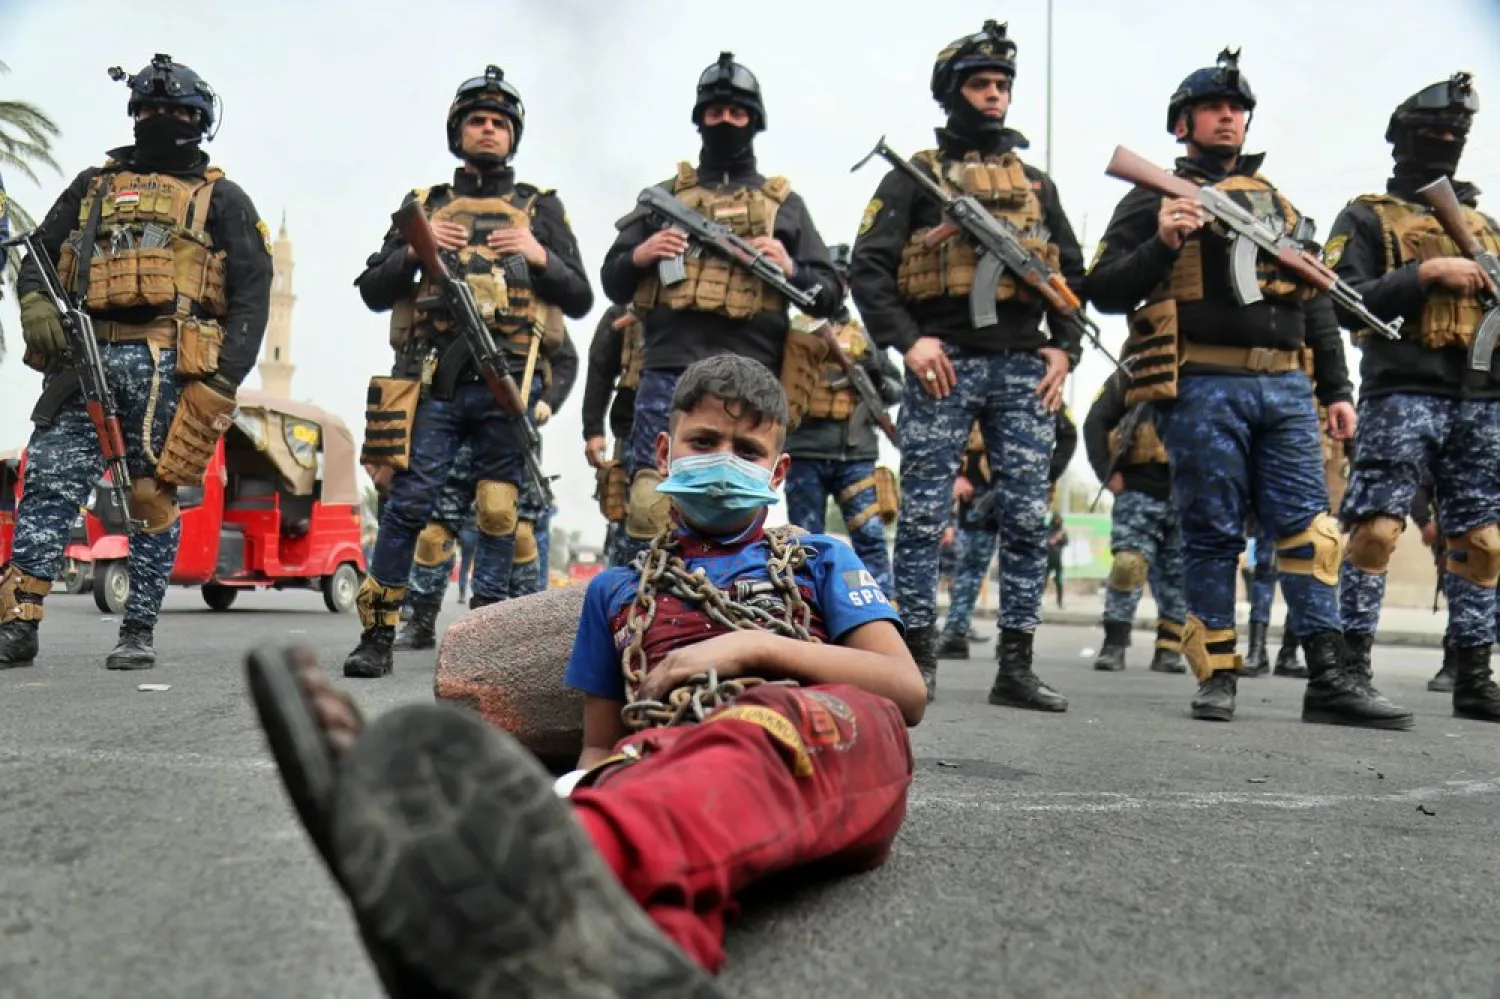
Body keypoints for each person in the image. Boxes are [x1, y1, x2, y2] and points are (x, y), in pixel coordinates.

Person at [247, 354, 925, 994]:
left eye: (747, 451)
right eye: (704, 441)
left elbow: (905, 691)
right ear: (665, 453)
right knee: (651, 809)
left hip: (827, 743)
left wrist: (755, 648)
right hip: (674, 760)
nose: (724, 462)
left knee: (756, 736)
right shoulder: (618, 590)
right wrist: (574, 786)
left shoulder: (820, 558)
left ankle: (505, 875)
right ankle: (610, 964)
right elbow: (601, 745)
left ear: (777, 473)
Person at [1086, 47, 1410, 727]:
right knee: (1211, 533)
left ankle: (1329, 677)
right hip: (1203, 383)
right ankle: (1218, 676)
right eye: (1212, 107)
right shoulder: (1153, 195)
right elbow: (1105, 289)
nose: (1227, 117)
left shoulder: (1277, 205)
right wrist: (1162, 242)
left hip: (1286, 388)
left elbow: (1313, 298)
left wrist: (1337, 388)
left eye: (1236, 108)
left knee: (1312, 533)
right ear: (1183, 124)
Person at [0, 54, 271, 671]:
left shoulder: (222, 198)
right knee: (48, 484)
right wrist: (36, 302)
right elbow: (39, 254)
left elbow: (253, 292)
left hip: (170, 370)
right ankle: (18, 622)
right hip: (83, 362)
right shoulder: (92, 186)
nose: (159, 118)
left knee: (153, 498)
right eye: (149, 108)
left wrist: (224, 378)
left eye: (174, 110)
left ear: (199, 121)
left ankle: (138, 630)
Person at [850, 20, 1082, 710]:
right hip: (943, 362)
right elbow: (869, 268)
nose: (994, 95)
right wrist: (907, 340)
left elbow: (1070, 273)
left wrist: (1064, 347)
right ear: (953, 93)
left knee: (1026, 518)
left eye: (1002, 84)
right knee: (923, 515)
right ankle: (915, 660)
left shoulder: (1036, 184)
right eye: (980, 83)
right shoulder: (914, 177)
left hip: (1022, 365)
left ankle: (1017, 664)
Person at [346, 64, 592, 679]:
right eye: (477, 120)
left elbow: (581, 295)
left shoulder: (539, 208)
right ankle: (377, 634)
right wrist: (416, 248)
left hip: (505, 386)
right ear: (458, 131)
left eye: (499, 123)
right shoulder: (427, 205)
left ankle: (486, 643)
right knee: (408, 507)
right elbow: (373, 289)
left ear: (513, 135)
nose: (488, 129)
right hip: (434, 385)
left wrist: (538, 254)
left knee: (500, 513)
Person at [601, 51, 842, 567]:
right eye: (716, 112)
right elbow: (610, 279)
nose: (726, 121)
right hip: (669, 367)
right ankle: (640, 602)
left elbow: (829, 293)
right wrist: (644, 253)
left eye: (737, 112)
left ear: (754, 120)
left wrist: (790, 267)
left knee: (744, 503)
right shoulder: (663, 198)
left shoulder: (784, 205)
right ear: (700, 118)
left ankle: (736, 599)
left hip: (753, 374)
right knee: (649, 504)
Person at [1324, 72, 1500, 723]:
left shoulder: (1486, 228)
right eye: (1432, 132)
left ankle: (1474, 673)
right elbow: (1341, 300)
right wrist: (1423, 273)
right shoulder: (1366, 216)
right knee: (1375, 531)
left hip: (1481, 400)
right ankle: (1348, 670)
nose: (1445, 141)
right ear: (1402, 138)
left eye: (1456, 133)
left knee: (1483, 543)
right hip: (1401, 391)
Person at [784, 244, 903, 597]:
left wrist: (874, 375)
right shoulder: (793, 333)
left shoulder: (865, 338)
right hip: (805, 450)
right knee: (804, 543)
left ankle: (882, 607)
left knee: (870, 537)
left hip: (856, 455)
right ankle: (806, 608)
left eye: (843, 278)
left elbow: (895, 389)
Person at [939, 409, 1076, 658]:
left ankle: (1015, 641)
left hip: (1023, 490)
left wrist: (1046, 475)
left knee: (1021, 565)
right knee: (969, 566)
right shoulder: (974, 389)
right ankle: (956, 633)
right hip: (977, 495)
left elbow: (1068, 435)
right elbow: (951, 427)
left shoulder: (1041, 390)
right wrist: (956, 476)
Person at [1084, 370, 1187, 673]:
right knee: (1127, 565)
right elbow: (1095, 421)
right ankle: (1114, 644)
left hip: (1188, 491)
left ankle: (1169, 649)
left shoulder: (1203, 369)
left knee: (1180, 575)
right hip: (1138, 489)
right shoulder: (1132, 373)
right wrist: (1105, 470)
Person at [581, 304, 644, 564]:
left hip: (701, 428)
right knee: (632, 517)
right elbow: (600, 365)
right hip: (634, 427)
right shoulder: (630, 305)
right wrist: (593, 429)